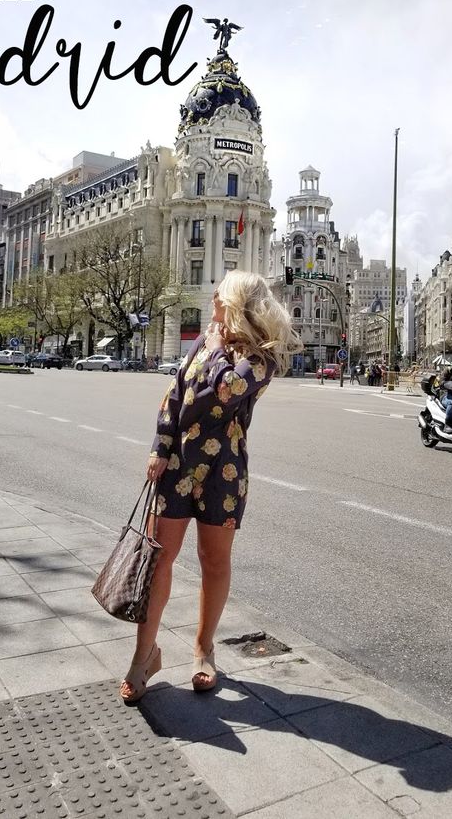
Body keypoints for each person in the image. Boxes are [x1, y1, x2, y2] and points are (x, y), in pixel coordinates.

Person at [119, 270, 302, 704]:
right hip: (179, 463)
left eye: (221, 290)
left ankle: (204, 649)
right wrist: (159, 446)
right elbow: (175, 393)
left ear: (235, 301)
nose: (214, 294)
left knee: (213, 562)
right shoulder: (206, 340)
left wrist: (219, 350)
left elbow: (227, 390)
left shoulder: (260, 356)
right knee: (158, 558)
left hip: (224, 471)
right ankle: (144, 656)